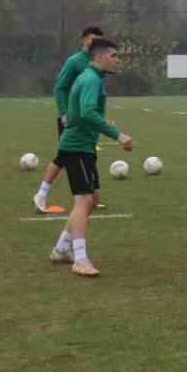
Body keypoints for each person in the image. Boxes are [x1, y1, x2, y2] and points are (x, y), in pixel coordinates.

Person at [47, 38, 133, 277]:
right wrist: (118, 135)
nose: (117, 60)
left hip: (82, 145)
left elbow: (85, 112)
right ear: (100, 56)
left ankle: (62, 248)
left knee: (91, 199)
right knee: (83, 200)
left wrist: (103, 123)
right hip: (78, 146)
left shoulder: (91, 78)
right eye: (114, 56)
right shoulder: (92, 79)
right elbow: (86, 112)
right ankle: (80, 259)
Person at [33, 26, 105, 212]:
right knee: (63, 157)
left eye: (98, 40)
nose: (94, 43)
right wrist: (64, 113)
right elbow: (60, 88)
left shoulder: (98, 61)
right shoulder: (74, 62)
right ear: (83, 39)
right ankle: (41, 194)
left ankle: (91, 195)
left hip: (88, 119)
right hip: (71, 119)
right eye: (91, 39)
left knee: (87, 153)